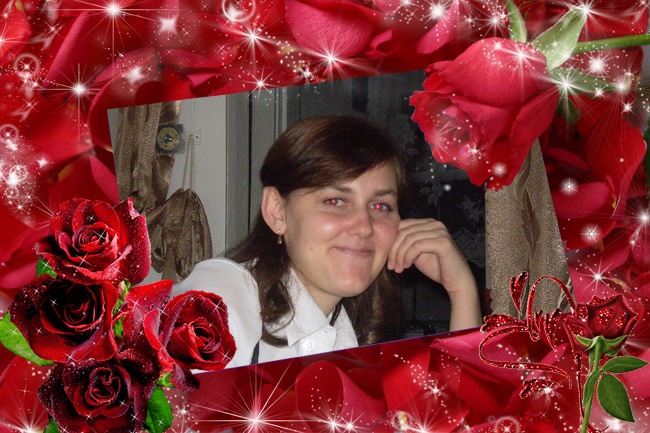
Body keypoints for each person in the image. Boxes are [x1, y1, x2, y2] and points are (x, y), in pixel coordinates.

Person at [174, 115, 482, 368]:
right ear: (277, 211)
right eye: (335, 201)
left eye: (380, 206)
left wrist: (462, 290)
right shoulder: (222, 299)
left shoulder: (345, 334)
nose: (364, 227)